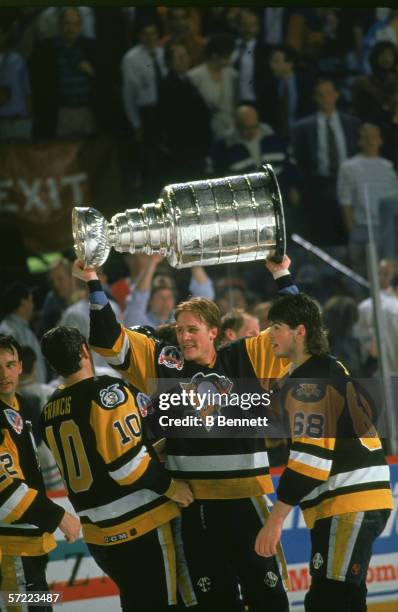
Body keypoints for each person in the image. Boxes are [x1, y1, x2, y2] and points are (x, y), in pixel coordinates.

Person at [74, 254, 298, 612]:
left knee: (269, 598)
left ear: (214, 331)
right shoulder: (163, 361)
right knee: (213, 602)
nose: (184, 337)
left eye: (192, 329)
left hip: (245, 503)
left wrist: (281, 273)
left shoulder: (247, 357)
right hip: (195, 509)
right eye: (179, 329)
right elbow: (106, 339)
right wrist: (92, 280)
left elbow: (295, 326)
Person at [254, 293, 393, 612]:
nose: (269, 335)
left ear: (300, 331)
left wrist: (275, 521)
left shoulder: (308, 384)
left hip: (348, 502)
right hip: (355, 500)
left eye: (276, 327)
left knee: (330, 598)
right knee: (341, 595)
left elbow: (310, 463)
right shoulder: (330, 366)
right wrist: (283, 277)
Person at [40, 326, 193, 612]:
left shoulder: (48, 409)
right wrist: (173, 488)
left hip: (98, 533)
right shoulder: (108, 392)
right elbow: (126, 467)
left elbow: (98, 455)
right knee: (165, 605)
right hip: (140, 524)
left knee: (135, 603)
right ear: (85, 351)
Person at [0, 334, 80, 603]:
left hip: (30, 545)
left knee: (41, 606)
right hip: (10, 550)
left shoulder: (21, 405)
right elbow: (5, 488)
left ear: (21, 366)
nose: (4, 374)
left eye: (10, 365)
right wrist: (58, 516)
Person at [292, 77, 361, 246]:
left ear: (336, 95)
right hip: (319, 186)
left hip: (349, 182)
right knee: (323, 234)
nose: (326, 98)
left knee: (349, 232)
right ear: (315, 98)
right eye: (321, 95)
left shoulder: (352, 123)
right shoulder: (303, 127)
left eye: (329, 94)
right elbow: (299, 160)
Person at [337, 123, 398, 277]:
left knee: (388, 279)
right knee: (364, 278)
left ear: (380, 140)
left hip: (387, 232)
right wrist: (354, 232)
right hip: (362, 229)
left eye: (374, 137)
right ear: (360, 141)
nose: (371, 141)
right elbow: (346, 203)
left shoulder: (388, 167)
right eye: (366, 137)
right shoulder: (349, 167)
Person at [124, 254, 214, 328]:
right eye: (160, 297)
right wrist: (152, 263)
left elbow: (205, 295)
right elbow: (137, 300)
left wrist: (192, 259)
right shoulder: (139, 323)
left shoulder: (180, 321)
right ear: (150, 301)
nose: (165, 301)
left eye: (169, 296)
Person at [0, 281, 47, 383]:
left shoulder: (23, 328)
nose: (32, 305)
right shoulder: (7, 330)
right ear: (23, 302)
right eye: (31, 300)